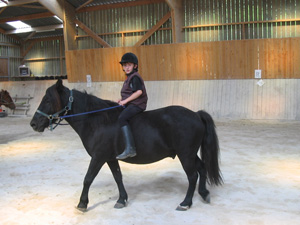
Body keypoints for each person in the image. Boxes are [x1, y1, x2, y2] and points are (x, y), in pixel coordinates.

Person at [116, 52, 148, 160]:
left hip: (137, 104)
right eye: (125, 65)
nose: (127, 67)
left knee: (122, 118)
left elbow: (138, 92)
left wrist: (125, 102)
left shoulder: (135, 77)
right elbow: (130, 92)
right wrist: (122, 99)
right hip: (132, 103)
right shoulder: (128, 78)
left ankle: (130, 148)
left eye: (129, 65)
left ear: (135, 66)